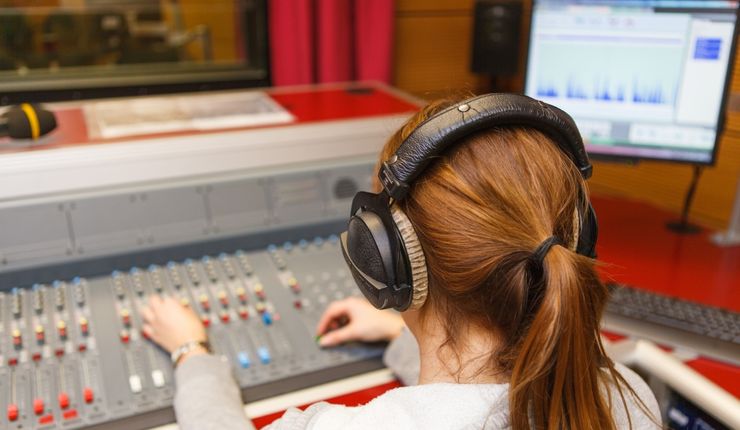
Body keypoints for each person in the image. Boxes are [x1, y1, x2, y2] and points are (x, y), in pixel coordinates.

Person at [141, 95, 661, 429]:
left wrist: (192, 352)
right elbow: (476, 404)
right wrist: (399, 339)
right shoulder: (629, 399)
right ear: (577, 239)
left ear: (389, 260)